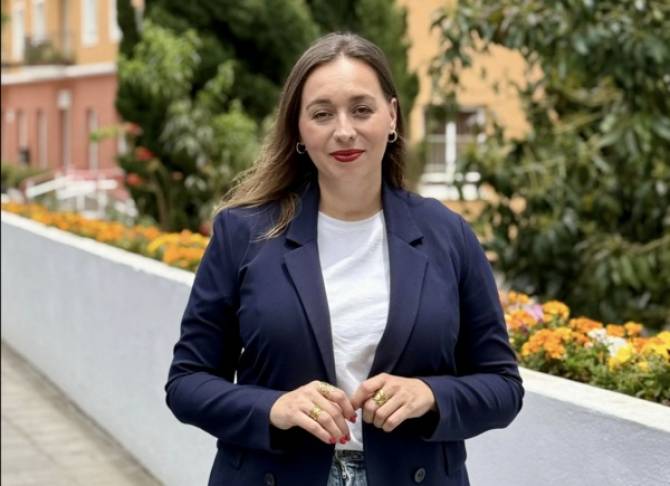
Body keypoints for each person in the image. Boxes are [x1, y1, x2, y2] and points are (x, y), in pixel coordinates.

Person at [165, 32, 524, 486]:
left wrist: (430, 394)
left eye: (361, 109)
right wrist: (274, 407)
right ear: (299, 129)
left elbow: (503, 387)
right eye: (321, 114)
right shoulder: (243, 233)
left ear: (391, 116)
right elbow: (187, 383)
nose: (344, 131)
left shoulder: (448, 234)